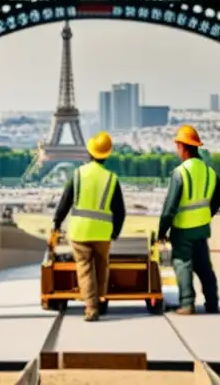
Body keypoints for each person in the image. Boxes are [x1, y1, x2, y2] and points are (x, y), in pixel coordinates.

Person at [50, 131, 125, 322]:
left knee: (84, 269)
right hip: (103, 232)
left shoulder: (78, 175)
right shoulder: (111, 178)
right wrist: (115, 232)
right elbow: (120, 211)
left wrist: (57, 223)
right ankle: (101, 301)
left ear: (89, 152)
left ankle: (91, 309)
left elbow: (65, 201)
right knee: (101, 268)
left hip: (80, 231)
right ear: (107, 154)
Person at [157, 125, 220, 315]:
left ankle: (187, 303)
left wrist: (162, 231)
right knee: (204, 265)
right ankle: (212, 303)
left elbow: (170, 207)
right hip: (202, 227)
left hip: (183, 228)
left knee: (182, 263)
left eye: (178, 145)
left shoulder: (181, 173)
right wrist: (207, 212)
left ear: (183, 146)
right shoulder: (209, 172)